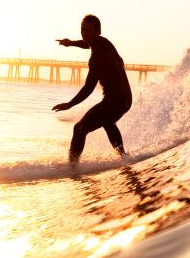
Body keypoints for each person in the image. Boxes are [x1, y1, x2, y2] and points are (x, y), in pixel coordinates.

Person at [52, 14, 133, 165]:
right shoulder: (104, 42)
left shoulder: (97, 58)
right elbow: (86, 43)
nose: (84, 33)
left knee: (79, 128)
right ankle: (124, 158)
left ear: (97, 31)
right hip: (126, 99)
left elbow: (88, 88)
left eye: (88, 30)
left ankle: (72, 166)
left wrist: (69, 104)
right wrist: (71, 43)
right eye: (82, 30)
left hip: (115, 101)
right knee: (108, 122)